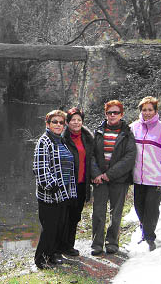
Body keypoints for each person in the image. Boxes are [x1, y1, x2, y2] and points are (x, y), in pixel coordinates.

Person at [90, 100, 136, 255]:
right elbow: (91, 156)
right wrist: (97, 174)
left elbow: (129, 157)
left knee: (115, 212)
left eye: (116, 112)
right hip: (99, 180)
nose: (112, 115)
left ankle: (112, 242)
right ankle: (97, 243)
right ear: (106, 114)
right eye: (109, 112)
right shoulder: (98, 131)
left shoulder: (127, 133)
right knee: (98, 212)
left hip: (119, 179)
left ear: (121, 114)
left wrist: (109, 175)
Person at [33, 109, 77, 269]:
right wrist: (53, 187)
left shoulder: (61, 141)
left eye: (61, 122)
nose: (58, 125)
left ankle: (51, 255)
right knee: (49, 228)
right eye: (54, 122)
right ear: (48, 124)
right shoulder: (44, 141)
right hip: (49, 195)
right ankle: (41, 260)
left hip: (63, 193)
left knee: (58, 227)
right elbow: (40, 169)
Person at [130, 96, 161, 251]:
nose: (147, 113)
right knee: (139, 206)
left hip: (156, 176)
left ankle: (149, 237)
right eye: (144, 110)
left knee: (152, 208)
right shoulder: (134, 127)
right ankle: (144, 230)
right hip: (138, 176)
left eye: (150, 110)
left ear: (155, 111)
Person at [60, 107, 94, 257]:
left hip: (82, 183)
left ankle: (69, 246)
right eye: (73, 119)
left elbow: (92, 159)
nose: (76, 122)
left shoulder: (87, 138)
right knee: (63, 216)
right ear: (67, 122)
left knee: (75, 216)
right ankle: (58, 246)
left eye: (79, 119)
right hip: (67, 184)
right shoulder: (62, 138)